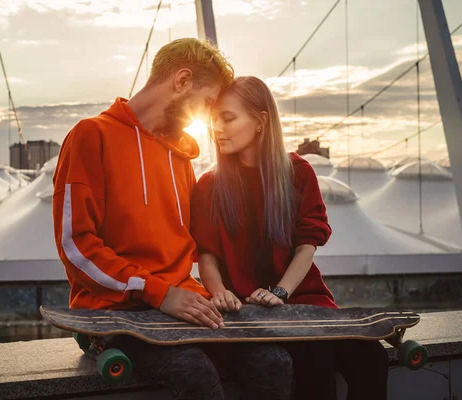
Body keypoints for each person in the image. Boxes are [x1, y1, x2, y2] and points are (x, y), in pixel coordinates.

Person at [52, 40, 293, 400]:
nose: (209, 119)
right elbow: (76, 247)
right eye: (208, 103)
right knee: (193, 371)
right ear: (181, 81)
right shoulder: (92, 136)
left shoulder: (181, 158)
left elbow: (194, 247)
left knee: (273, 361)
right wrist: (159, 293)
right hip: (116, 313)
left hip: (183, 304)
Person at [191, 76, 389, 400]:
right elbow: (207, 255)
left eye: (227, 117)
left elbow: (307, 244)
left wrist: (281, 292)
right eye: (213, 120)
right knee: (316, 362)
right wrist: (220, 293)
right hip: (247, 309)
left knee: (372, 358)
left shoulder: (298, 172)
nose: (217, 128)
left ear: (260, 121)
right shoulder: (209, 186)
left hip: (303, 302)